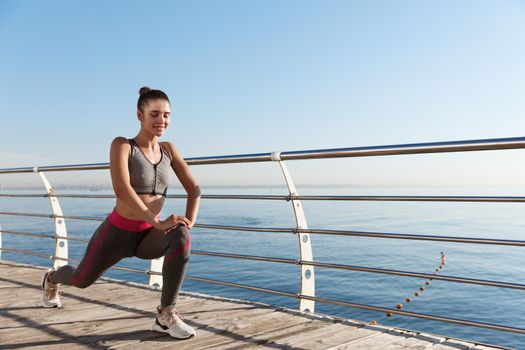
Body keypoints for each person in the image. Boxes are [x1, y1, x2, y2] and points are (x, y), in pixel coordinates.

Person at [40, 87, 201, 340]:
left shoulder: (169, 149)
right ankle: (52, 278)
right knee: (81, 279)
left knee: (180, 235)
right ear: (140, 115)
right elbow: (123, 190)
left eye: (167, 115)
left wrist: (188, 221)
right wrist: (157, 223)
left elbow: (194, 189)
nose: (162, 121)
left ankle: (165, 315)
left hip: (149, 236)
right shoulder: (122, 145)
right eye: (155, 114)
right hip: (117, 234)